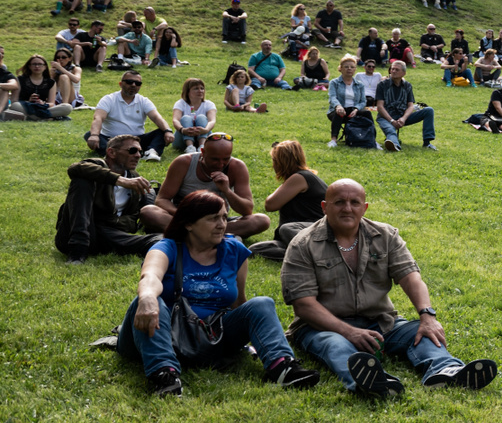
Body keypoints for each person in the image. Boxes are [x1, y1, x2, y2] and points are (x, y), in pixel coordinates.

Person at [282, 179, 498, 398]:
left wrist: (427, 315)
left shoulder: (385, 236)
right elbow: (304, 305)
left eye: (354, 202)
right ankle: (374, 381)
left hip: (380, 322)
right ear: (324, 207)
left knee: (421, 332)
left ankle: (446, 370)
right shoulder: (303, 244)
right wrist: (349, 331)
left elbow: (411, 279)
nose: (347, 208)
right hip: (322, 327)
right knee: (335, 345)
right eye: (339, 202)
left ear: (364, 208)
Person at [116, 189, 317, 397]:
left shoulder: (234, 251)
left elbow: (239, 303)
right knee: (152, 301)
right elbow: (150, 276)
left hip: (212, 335)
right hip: (164, 333)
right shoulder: (166, 247)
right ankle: (165, 376)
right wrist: (147, 297)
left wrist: (252, 339)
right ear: (188, 224)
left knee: (261, 303)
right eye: (213, 218)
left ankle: (282, 367)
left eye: (224, 217)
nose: (222, 224)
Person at [146, 132, 271, 240]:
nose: (221, 164)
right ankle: (216, 237)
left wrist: (226, 190)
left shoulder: (237, 166)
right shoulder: (183, 162)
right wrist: (184, 215)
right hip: (185, 220)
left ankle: (189, 235)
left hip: (217, 221)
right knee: (148, 212)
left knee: (262, 220)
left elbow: (247, 210)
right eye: (215, 159)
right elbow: (162, 200)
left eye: (225, 159)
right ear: (202, 152)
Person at [55, 134, 159, 264]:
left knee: (157, 240)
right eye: (132, 151)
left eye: (140, 152)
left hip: (110, 234)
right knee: (82, 181)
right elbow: (75, 168)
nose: (138, 155)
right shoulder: (97, 165)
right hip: (75, 235)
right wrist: (120, 180)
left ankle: (162, 244)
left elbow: (132, 220)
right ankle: (78, 250)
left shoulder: (135, 178)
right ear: (111, 152)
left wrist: (111, 222)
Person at [374, 60, 437, 151]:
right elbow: (380, 106)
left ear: (403, 73)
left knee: (429, 110)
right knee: (390, 130)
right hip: (385, 117)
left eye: (397, 70)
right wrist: (392, 121)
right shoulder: (382, 85)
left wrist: (403, 118)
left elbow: (411, 106)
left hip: (402, 116)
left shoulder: (407, 86)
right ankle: (394, 145)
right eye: (392, 69)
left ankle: (427, 143)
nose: (393, 71)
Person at [169, 77, 215, 154]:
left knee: (201, 117)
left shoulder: (209, 104)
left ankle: (202, 146)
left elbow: (212, 120)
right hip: (182, 139)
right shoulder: (180, 103)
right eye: (196, 89)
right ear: (187, 91)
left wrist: (206, 130)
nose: (200, 91)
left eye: (202, 88)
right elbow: (175, 120)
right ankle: (190, 147)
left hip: (204, 135)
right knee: (186, 118)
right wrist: (183, 130)